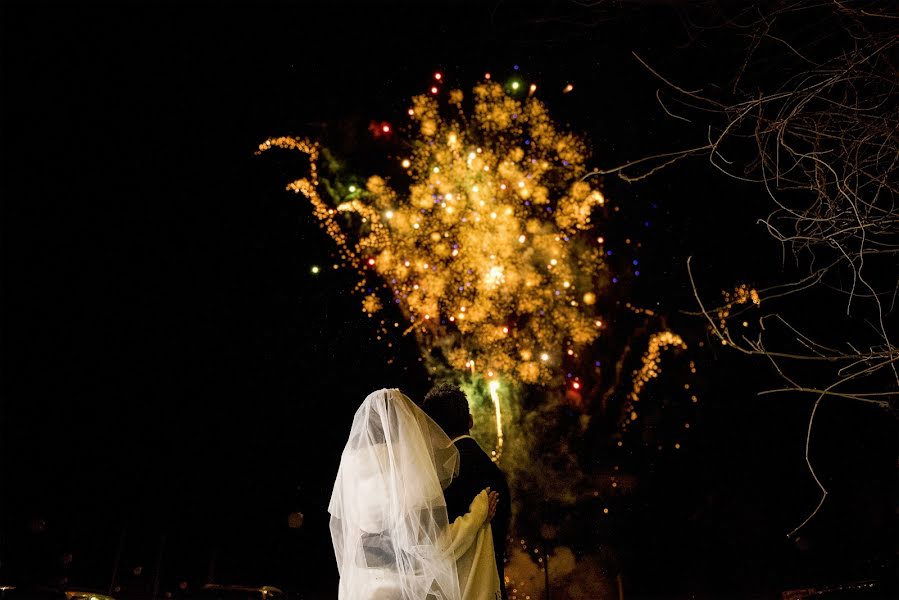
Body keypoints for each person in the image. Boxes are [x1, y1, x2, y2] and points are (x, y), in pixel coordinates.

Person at [328, 388, 501, 600]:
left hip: (364, 580)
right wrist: (477, 515)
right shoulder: (408, 466)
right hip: (401, 585)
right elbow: (433, 547)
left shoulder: (352, 463)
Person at [422, 384, 511, 600]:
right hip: (491, 587)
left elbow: (431, 543)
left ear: (433, 428)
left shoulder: (438, 476)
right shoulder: (496, 473)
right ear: (470, 420)